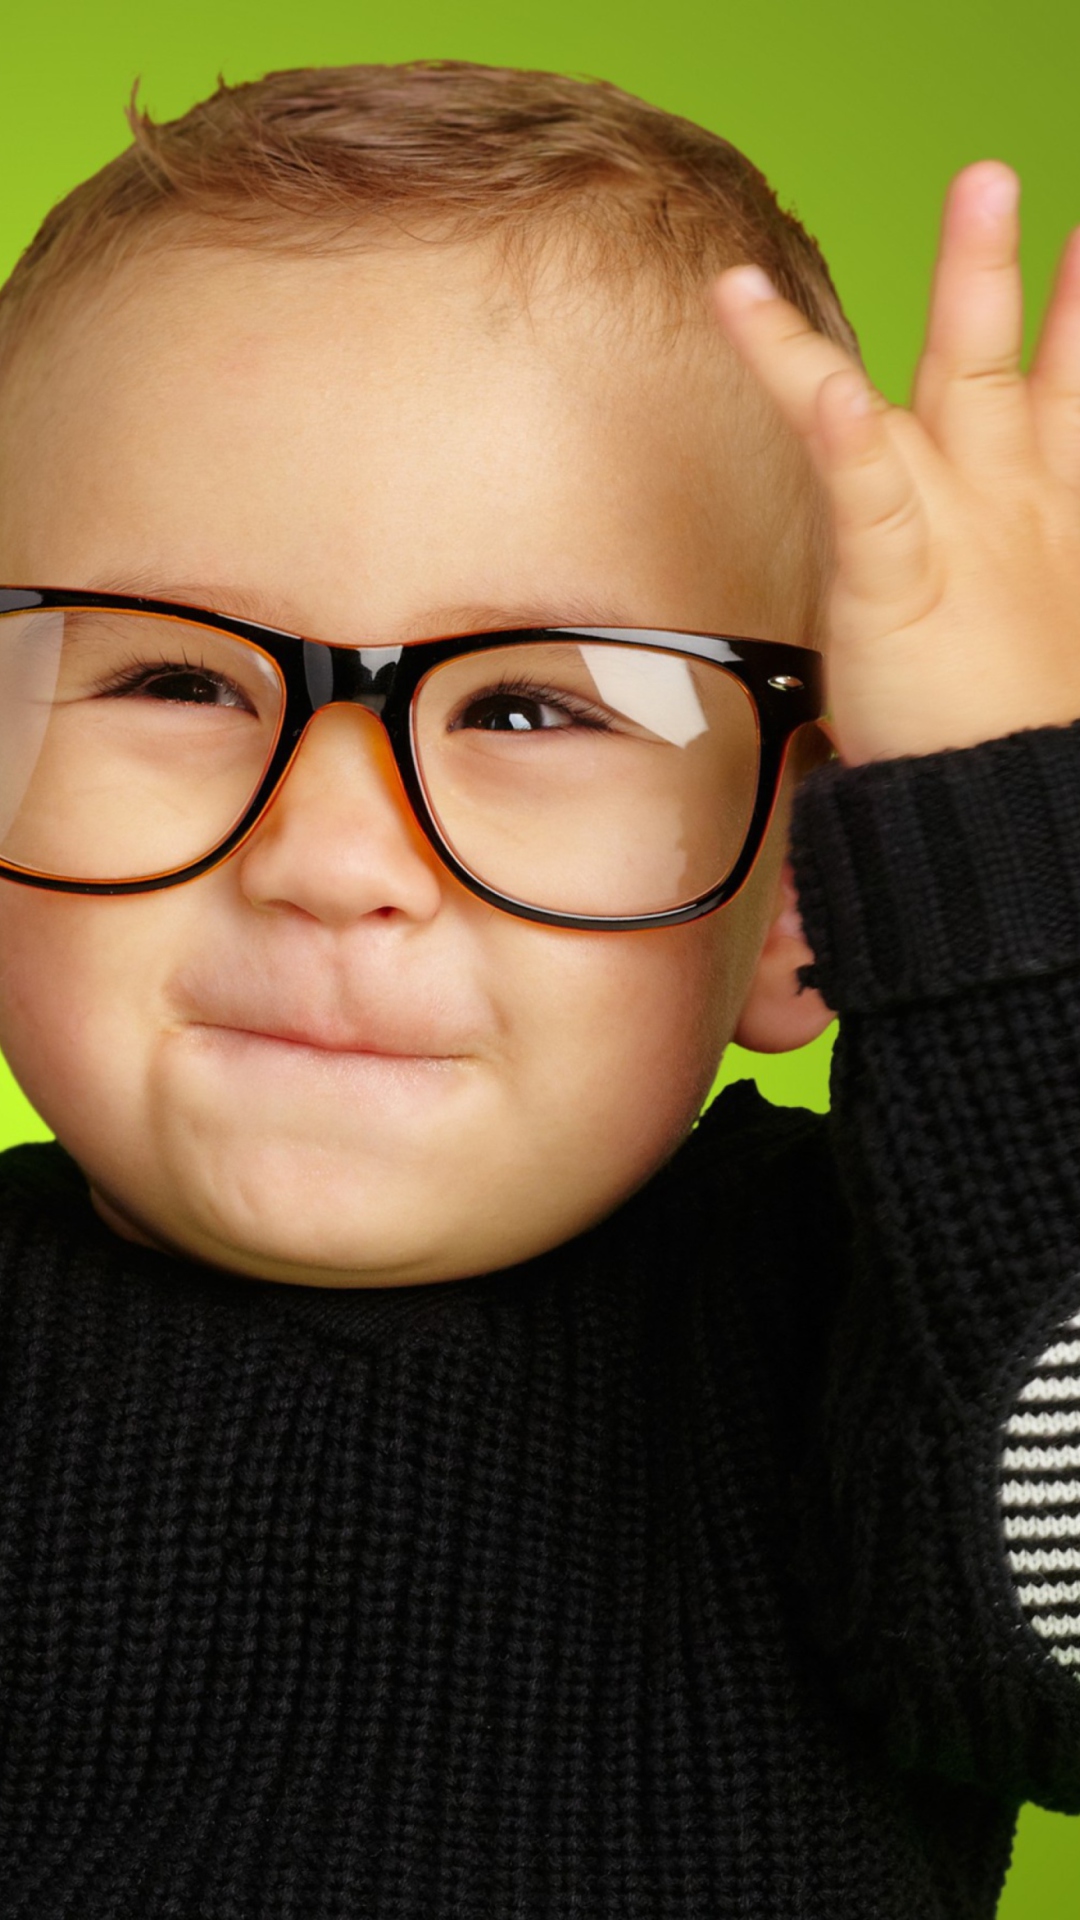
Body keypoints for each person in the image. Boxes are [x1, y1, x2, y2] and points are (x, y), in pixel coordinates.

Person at [0, 58, 1077, 1919]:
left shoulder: (883, 1343)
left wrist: (993, 846)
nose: (332, 857)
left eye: (531, 707)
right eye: (171, 682)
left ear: (806, 897)